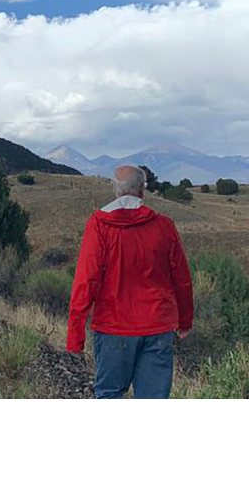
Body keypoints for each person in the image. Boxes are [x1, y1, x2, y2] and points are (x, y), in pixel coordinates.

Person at [66, 165, 194, 398]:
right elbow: (182, 278)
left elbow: (87, 280)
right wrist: (185, 320)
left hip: (113, 326)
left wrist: (75, 336)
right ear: (142, 190)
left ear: (116, 189)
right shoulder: (164, 226)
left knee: (110, 394)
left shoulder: (99, 225)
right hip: (157, 325)